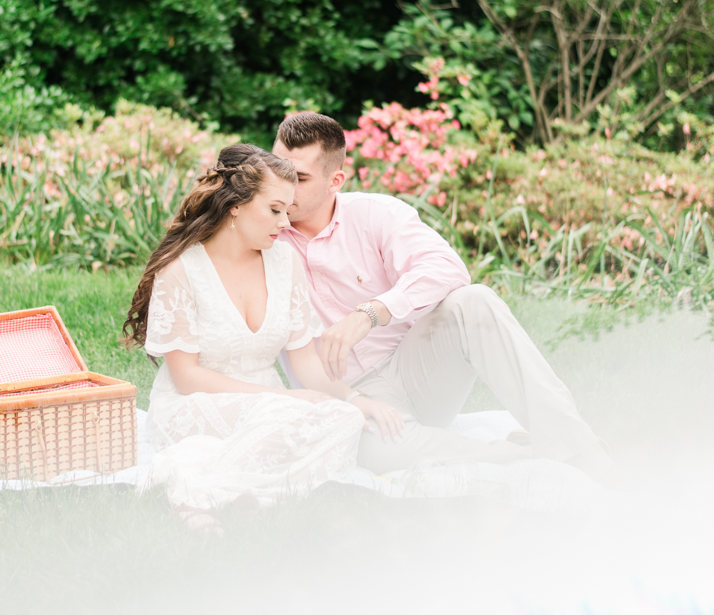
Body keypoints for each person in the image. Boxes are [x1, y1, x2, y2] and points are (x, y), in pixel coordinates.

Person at [272, 112, 612, 481]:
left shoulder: (376, 214)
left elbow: (446, 268)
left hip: (416, 369)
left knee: (473, 300)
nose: (283, 188)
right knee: (370, 450)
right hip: (343, 395)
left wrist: (370, 312)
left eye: (299, 178)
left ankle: (579, 446)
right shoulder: (263, 234)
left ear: (335, 180)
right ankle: (517, 454)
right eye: (278, 172)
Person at [123, 143, 376, 520]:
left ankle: (254, 495)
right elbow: (187, 376)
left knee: (345, 418)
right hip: (195, 402)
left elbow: (304, 361)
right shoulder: (181, 270)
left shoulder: (284, 263)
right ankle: (207, 494)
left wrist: (352, 398)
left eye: (287, 211)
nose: (285, 223)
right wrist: (284, 401)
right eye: (275, 210)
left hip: (269, 405)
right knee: (287, 417)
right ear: (235, 206)